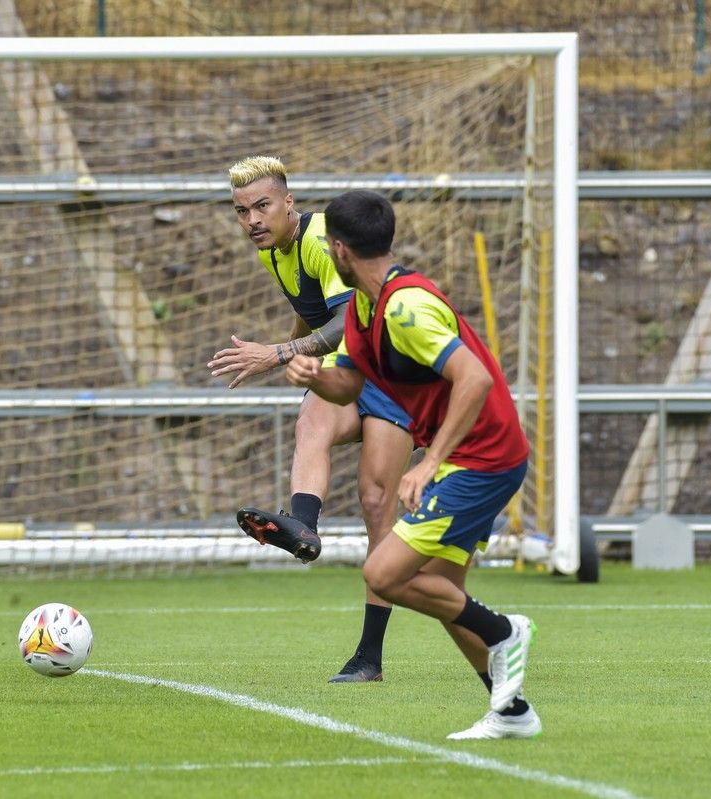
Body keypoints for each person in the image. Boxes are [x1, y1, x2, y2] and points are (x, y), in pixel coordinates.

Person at [283, 189, 541, 739]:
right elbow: (349, 381)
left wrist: (429, 464)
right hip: (473, 458)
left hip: (484, 458)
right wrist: (314, 374)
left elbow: (474, 378)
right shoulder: (362, 306)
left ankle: (505, 632)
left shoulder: (407, 307)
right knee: (444, 593)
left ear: (338, 249)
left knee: (385, 572)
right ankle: (512, 713)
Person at [208, 156, 415, 683]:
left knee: (375, 505)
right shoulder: (275, 252)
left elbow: (347, 319)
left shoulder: (321, 238)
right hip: (351, 368)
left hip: (393, 378)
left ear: (289, 203)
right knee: (311, 422)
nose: (252, 219)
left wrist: (277, 354)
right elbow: (314, 313)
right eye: (241, 211)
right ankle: (304, 526)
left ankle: (370, 656)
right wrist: (296, 354)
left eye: (262, 206)